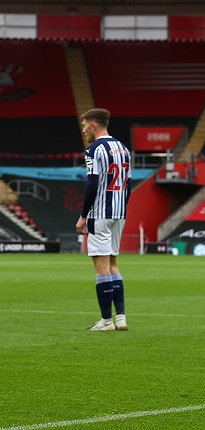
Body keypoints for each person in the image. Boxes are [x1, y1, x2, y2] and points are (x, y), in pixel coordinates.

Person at [75, 108, 131, 332]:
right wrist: (122, 209)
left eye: (84, 125)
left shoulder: (94, 150)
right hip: (119, 213)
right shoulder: (123, 149)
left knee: (101, 268)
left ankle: (106, 321)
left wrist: (83, 216)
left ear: (94, 125)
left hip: (99, 214)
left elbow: (92, 184)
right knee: (114, 265)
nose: (83, 129)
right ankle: (121, 318)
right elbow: (129, 185)